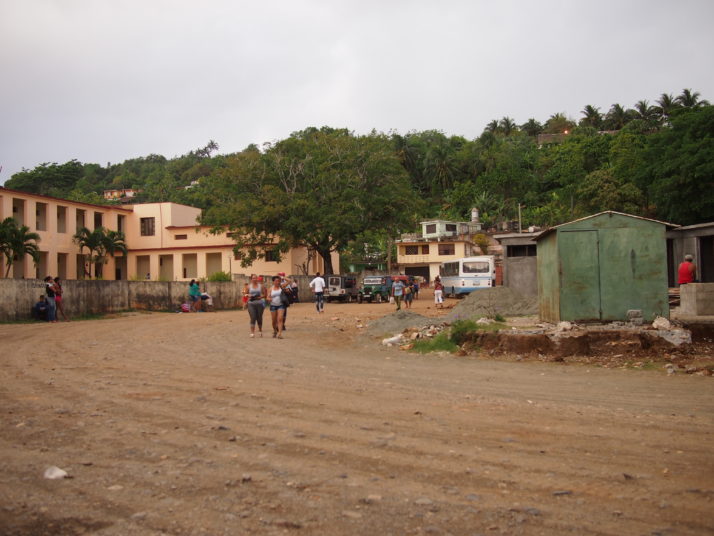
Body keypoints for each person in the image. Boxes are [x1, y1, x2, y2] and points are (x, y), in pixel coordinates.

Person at [244, 274, 267, 338]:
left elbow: (265, 295)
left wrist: (259, 297)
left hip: (259, 303)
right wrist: (248, 295)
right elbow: (245, 294)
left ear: (257, 279)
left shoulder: (261, 286)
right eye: (253, 278)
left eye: (255, 278)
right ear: (251, 279)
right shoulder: (248, 286)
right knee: (253, 317)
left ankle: (260, 330)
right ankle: (252, 332)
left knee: (259, 318)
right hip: (251, 303)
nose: (254, 279)